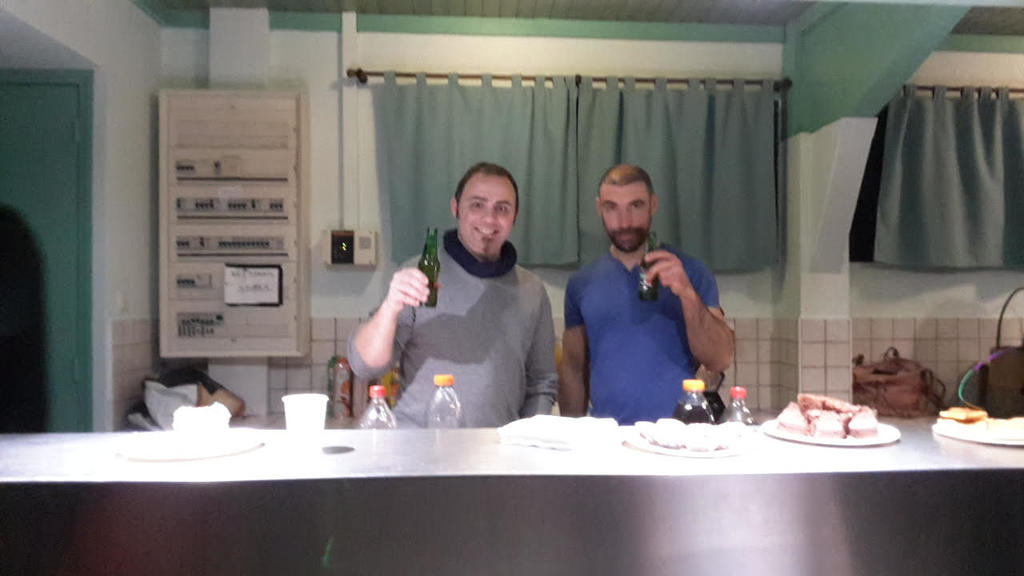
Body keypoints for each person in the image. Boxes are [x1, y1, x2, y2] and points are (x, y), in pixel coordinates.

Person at [349, 162, 558, 427]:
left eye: (502, 209)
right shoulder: (418, 276)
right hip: (421, 448)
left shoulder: (532, 290)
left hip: (499, 449)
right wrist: (390, 307)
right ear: (456, 208)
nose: (489, 219)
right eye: (477, 205)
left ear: (514, 216)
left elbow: (542, 384)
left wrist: (526, 439)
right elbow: (364, 366)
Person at [560, 164, 735, 424]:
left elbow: (720, 359)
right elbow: (573, 371)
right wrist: (571, 437)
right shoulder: (581, 284)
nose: (624, 222)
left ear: (653, 204)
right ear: (599, 208)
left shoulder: (692, 272)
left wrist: (687, 293)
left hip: (678, 435)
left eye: (636, 205)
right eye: (612, 207)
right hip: (607, 438)